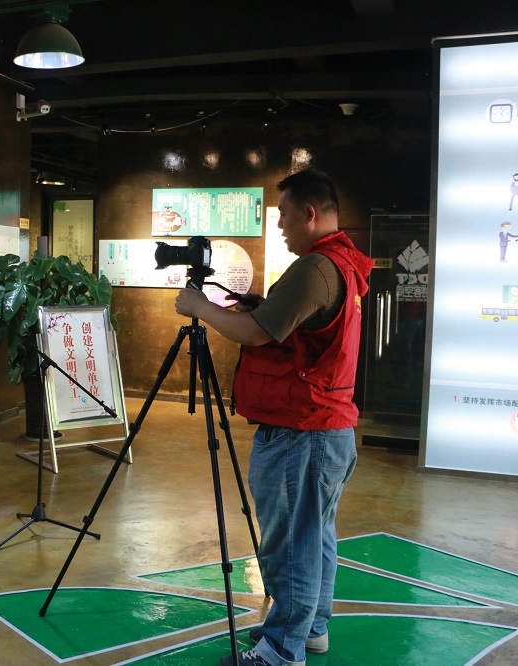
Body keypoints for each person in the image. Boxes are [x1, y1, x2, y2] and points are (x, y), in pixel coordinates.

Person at [175, 169, 373, 666]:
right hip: (327, 426)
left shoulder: (315, 267)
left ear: (310, 213)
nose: (279, 223)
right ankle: (309, 629)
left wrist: (199, 306)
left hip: (302, 430)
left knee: (290, 546)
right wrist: (263, 306)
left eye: (283, 214)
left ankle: (281, 650)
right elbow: (301, 329)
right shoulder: (342, 263)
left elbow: (257, 334)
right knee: (314, 536)